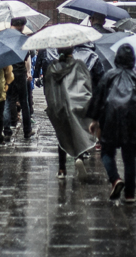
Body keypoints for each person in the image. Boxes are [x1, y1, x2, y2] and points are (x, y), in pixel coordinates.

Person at [85, 44, 136, 203]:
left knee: (107, 152)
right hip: (131, 119)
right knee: (129, 157)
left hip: (111, 118)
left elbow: (98, 99)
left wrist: (95, 120)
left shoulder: (108, 76)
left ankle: (115, 179)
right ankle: (130, 194)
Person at [44, 46, 96, 181]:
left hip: (59, 106)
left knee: (62, 135)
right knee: (78, 131)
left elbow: (48, 88)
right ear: (72, 51)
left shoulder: (52, 68)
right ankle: (79, 157)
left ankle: (61, 169)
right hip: (76, 104)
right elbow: (86, 85)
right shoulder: (79, 65)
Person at [3, 17, 33, 140]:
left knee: (7, 101)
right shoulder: (23, 39)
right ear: (20, 25)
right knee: (24, 102)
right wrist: (28, 72)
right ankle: (27, 131)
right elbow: (26, 58)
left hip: (8, 71)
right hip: (20, 72)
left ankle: (6, 130)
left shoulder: (4, 36)